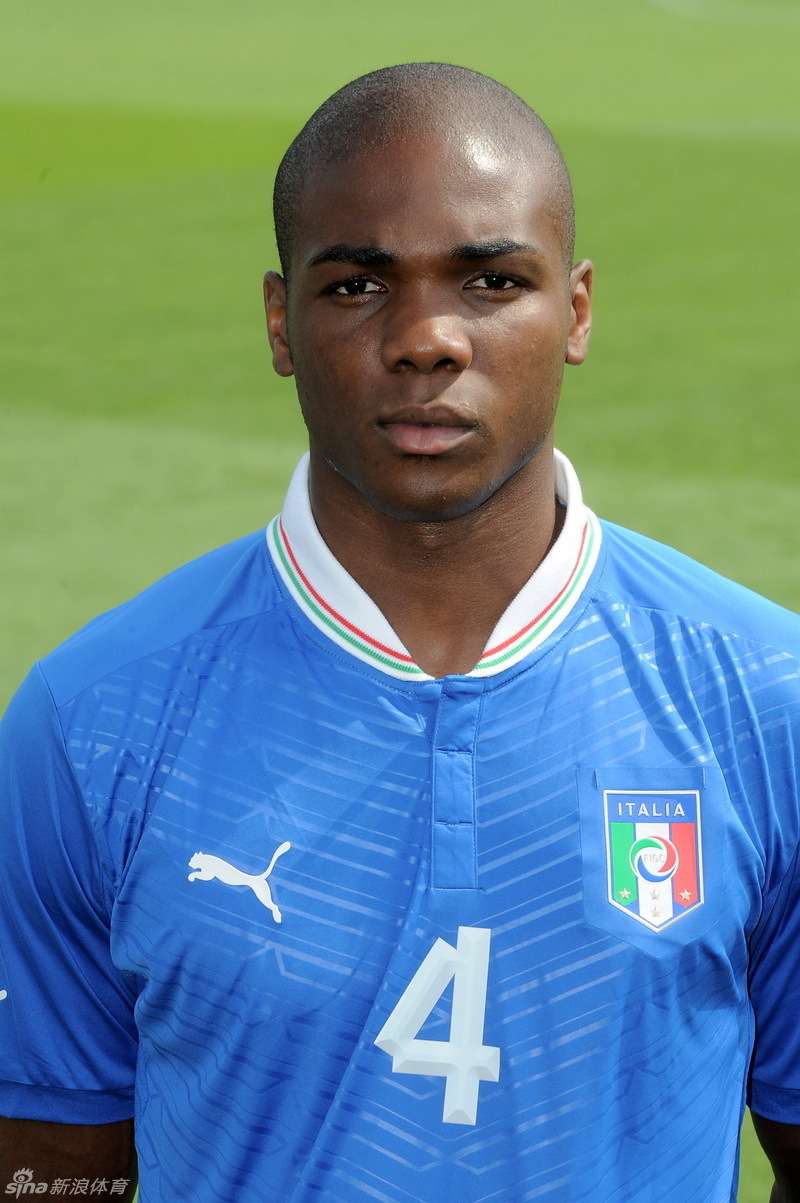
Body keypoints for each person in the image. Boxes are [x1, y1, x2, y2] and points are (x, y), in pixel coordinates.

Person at [0, 62, 798, 1203]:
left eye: (491, 280)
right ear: (280, 322)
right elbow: (52, 1164)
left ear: (575, 312)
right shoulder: (90, 722)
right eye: (358, 286)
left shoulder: (764, 702)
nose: (426, 338)